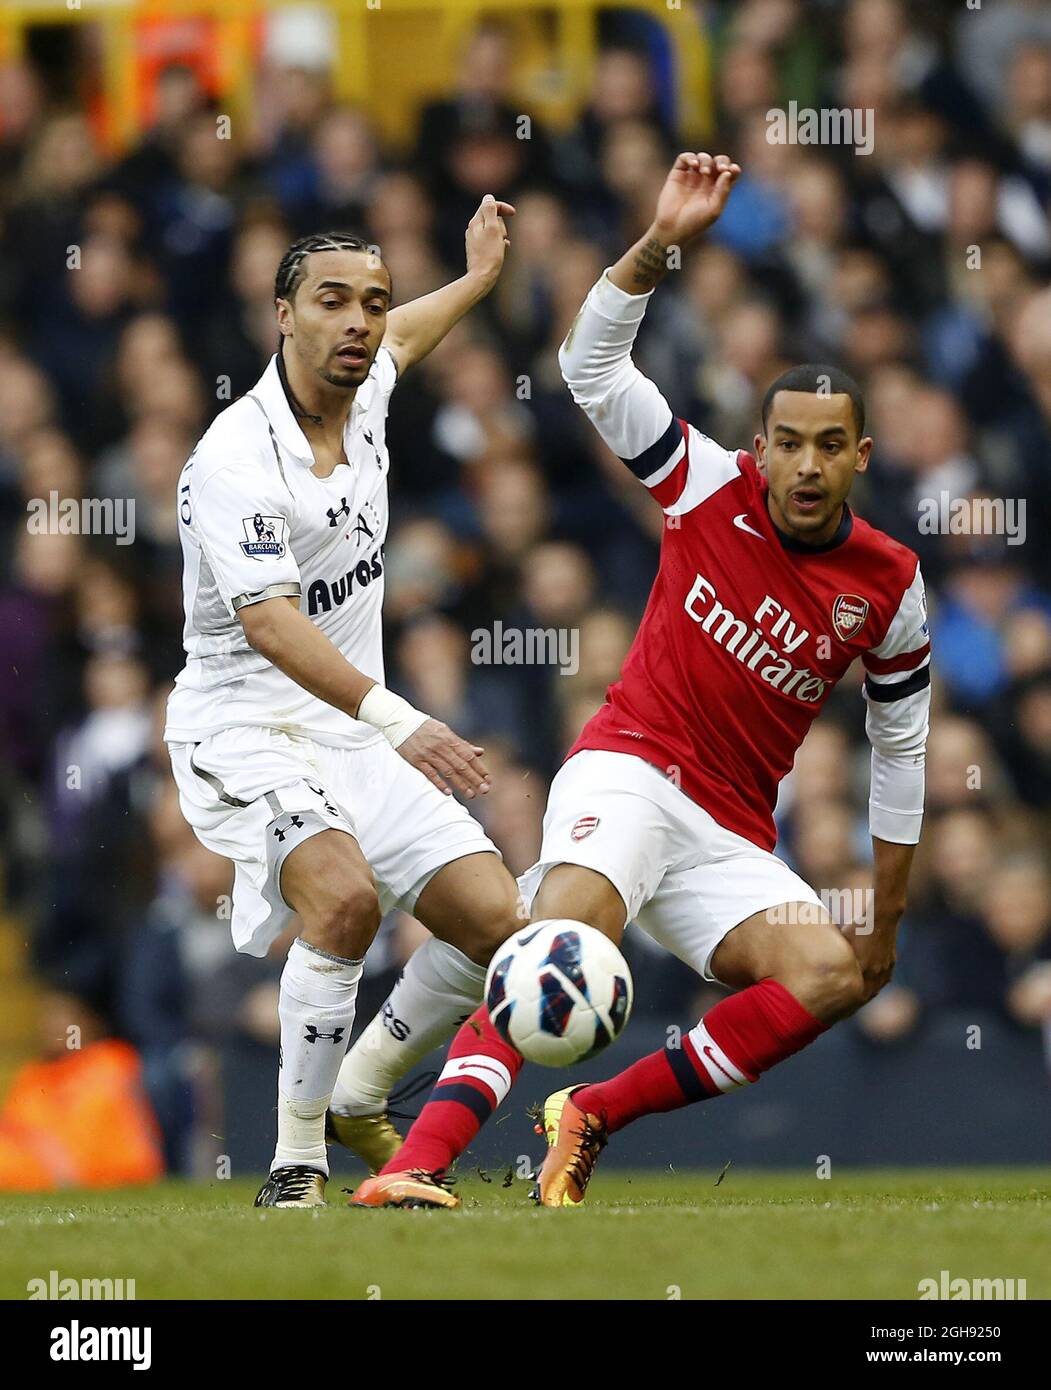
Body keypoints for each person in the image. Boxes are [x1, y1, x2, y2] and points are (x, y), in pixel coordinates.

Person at [348, 153, 932, 1209]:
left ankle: (592, 1114)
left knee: (827, 977)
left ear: (860, 456)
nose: (804, 465)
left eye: (828, 447)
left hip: (727, 829)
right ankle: (412, 1164)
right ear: (760, 447)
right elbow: (588, 367)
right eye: (787, 443)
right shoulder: (708, 485)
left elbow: (900, 751)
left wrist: (883, 919)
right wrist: (660, 243)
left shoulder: (888, 583)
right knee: (557, 943)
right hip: (625, 770)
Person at [165, 199, 527, 1207]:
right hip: (247, 725)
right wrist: (403, 721)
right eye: (333, 302)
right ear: (282, 315)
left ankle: (361, 1090)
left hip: (354, 728)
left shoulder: (368, 388)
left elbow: (413, 330)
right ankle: (294, 1163)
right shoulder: (234, 458)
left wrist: (479, 282)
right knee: (344, 899)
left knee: (500, 923)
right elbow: (273, 626)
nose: (362, 321)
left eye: (372, 301)